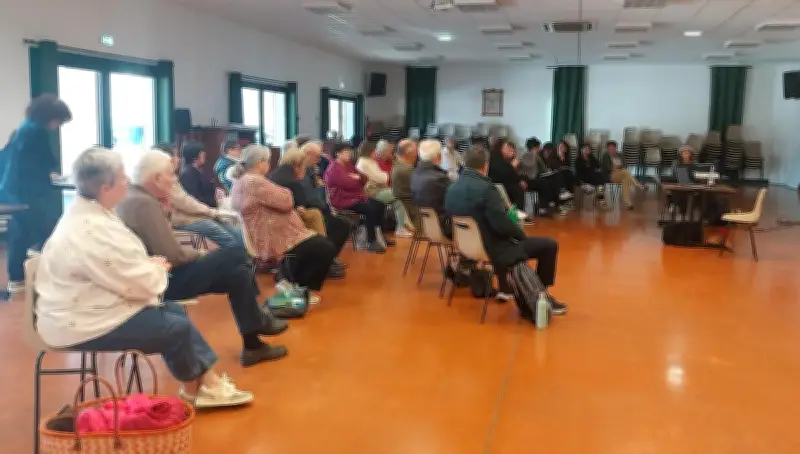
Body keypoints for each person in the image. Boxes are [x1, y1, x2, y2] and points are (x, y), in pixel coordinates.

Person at [36, 147, 255, 407]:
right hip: (80, 321)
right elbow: (140, 283)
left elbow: (124, 267)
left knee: (174, 312)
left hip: (83, 307)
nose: (127, 180)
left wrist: (151, 265)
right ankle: (206, 386)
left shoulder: (89, 212)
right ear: (106, 188)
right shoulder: (95, 228)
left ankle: (202, 386)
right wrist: (157, 268)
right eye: (122, 177)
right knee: (176, 327)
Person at [116, 149, 289, 367]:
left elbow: (164, 245)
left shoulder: (138, 197)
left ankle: (253, 345)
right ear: (157, 178)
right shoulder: (144, 203)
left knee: (238, 274)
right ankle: (259, 321)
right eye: (171, 174)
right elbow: (172, 255)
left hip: (161, 274)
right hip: (163, 281)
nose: (174, 179)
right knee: (235, 252)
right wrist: (200, 254)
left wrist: (167, 211)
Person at [445, 147, 567, 314]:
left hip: (466, 247)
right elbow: (501, 224)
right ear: (485, 166)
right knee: (549, 245)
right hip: (492, 248)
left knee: (505, 237)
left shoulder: (452, 188)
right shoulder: (487, 189)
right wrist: (520, 234)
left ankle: (510, 289)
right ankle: (540, 298)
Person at [230, 145, 338, 303]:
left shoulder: (242, 181)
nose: (269, 165)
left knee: (318, 244)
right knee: (325, 248)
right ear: (259, 163)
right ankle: (301, 289)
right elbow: (287, 201)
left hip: (269, 231)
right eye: (267, 161)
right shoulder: (254, 181)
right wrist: (287, 193)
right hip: (273, 236)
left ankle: (291, 282)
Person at [0, 94, 71, 294]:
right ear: (50, 116)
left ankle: (19, 276)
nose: (57, 126)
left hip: (14, 190)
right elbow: (40, 164)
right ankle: (30, 273)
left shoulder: (24, 128)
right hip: (26, 191)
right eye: (59, 121)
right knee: (39, 229)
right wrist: (51, 175)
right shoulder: (36, 132)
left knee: (22, 232)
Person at [268, 146, 347, 278]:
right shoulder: (293, 181)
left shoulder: (274, 174)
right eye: (316, 156)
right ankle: (324, 259)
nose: (318, 160)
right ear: (298, 164)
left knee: (325, 218)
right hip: (286, 222)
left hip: (276, 219)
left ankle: (325, 258)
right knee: (326, 220)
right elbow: (302, 202)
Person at [154, 143, 243, 248]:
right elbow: (186, 203)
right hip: (187, 219)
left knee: (236, 232)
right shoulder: (178, 176)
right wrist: (211, 212)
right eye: (176, 156)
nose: (179, 159)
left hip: (198, 214)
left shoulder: (177, 175)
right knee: (232, 242)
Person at [324, 142, 391, 253]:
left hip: (355, 196)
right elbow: (348, 184)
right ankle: (371, 241)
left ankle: (380, 235)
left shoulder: (349, 165)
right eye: (345, 151)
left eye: (349, 151)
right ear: (337, 154)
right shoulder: (333, 169)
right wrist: (357, 179)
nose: (349, 153)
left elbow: (364, 179)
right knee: (370, 209)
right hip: (342, 200)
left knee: (379, 205)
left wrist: (357, 178)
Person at [356, 141, 413, 238]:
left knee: (397, 201)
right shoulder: (364, 163)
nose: (376, 152)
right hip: (371, 192)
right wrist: (384, 176)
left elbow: (381, 177)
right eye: (375, 150)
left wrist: (383, 176)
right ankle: (403, 226)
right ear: (370, 151)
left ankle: (401, 227)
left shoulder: (370, 161)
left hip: (378, 188)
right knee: (397, 194)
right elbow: (382, 178)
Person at [518, 138, 570, 217]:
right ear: (534, 148)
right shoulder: (526, 155)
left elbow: (544, 169)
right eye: (538, 147)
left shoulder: (538, 156)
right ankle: (544, 206)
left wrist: (549, 171)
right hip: (528, 180)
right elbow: (531, 168)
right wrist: (534, 155)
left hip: (538, 177)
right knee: (545, 183)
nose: (540, 149)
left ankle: (558, 199)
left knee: (556, 176)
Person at [411, 139, 452, 238]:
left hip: (421, 223)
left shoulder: (414, 174)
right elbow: (452, 202)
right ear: (439, 156)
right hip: (442, 227)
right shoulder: (441, 178)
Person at [487, 139, 528, 219]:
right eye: (508, 147)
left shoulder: (508, 159)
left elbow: (515, 175)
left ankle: (517, 215)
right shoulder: (495, 156)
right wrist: (512, 167)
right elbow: (504, 173)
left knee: (519, 187)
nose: (511, 150)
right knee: (517, 190)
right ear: (500, 147)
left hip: (506, 183)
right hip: (497, 185)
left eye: (512, 148)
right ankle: (515, 216)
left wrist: (520, 180)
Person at [602, 141, 645, 210]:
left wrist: (619, 166)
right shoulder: (605, 156)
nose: (611, 150)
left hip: (621, 173)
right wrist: (617, 166)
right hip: (611, 175)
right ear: (607, 149)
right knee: (625, 172)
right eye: (610, 148)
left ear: (615, 148)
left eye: (613, 148)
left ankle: (627, 202)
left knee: (625, 179)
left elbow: (625, 165)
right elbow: (607, 167)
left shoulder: (619, 155)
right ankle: (637, 184)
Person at [179, 142, 219, 208]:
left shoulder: (197, 170)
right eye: (202, 153)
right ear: (194, 156)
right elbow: (194, 198)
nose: (205, 154)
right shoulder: (188, 174)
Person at [392, 139, 421, 231]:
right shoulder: (407, 170)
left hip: (406, 208)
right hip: (412, 212)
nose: (418, 153)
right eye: (416, 150)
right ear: (409, 152)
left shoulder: (398, 166)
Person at [574, 142, 608, 207]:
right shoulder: (578, 160)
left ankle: (600, 198)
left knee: (600, 176)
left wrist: (597, 170)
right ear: (581, 150)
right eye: (584, 149)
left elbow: (599, 167)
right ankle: (600, 197)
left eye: (588, 149)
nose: (586, 151)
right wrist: (592, 170)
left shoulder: (593, 159)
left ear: (590, 151)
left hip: (592, 178)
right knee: (597, 176)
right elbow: (579, 172)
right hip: (583, 178)